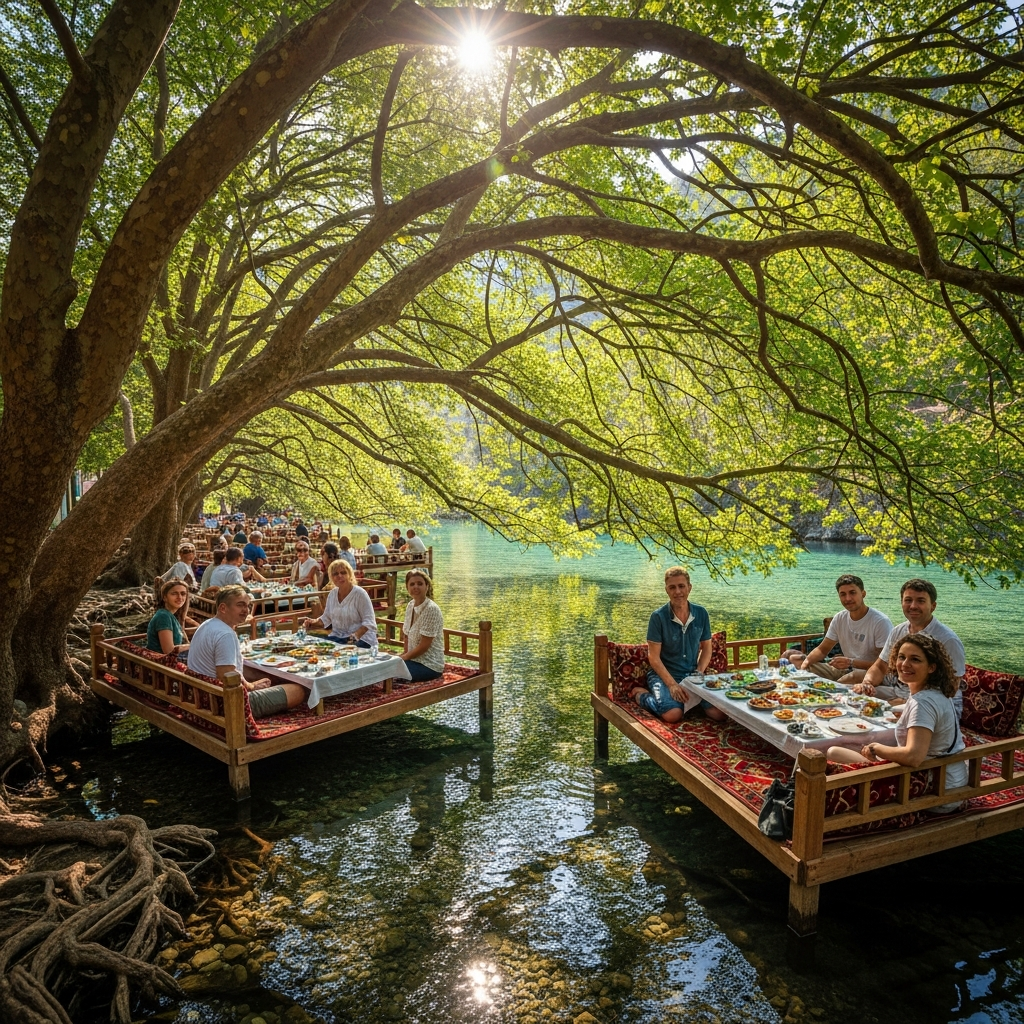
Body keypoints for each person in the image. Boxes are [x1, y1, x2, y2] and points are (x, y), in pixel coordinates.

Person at [828, 634, 967, 813]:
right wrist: (893, 710)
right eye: (901, 657)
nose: (904, 664)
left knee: (832, 751)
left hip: (935, 789)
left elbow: (913, 757)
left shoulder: (922, 703)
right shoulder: (935, 693)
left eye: (915, 659)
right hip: (947, 779)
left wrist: (877, 748)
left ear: (932, 667)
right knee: (846, 747)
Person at [188, 586, 307, 718]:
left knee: (269, 676)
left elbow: (231, 670)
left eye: (247, 606)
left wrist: (251, 685)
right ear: (223, 608)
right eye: (240, 605)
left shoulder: (207, 624)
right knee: (299, 690)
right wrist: (250, 687)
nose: (246, 610)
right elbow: (226, 677)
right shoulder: (225, 634)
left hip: (202, 694)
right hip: (223, 703)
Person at [853, 578, 966, 716]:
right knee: (853, 699)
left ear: (933, 606)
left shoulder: (947, 639)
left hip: (936, 705)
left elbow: (951, 687)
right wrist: (867, 684)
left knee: (874, 715)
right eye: (908, 600)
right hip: (898, 692)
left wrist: (908, 702)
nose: (913, 606)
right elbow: (881, 666)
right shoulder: (898, 631)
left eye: (921, 601)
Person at [630, 567, 724, 723]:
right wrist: (672, 685)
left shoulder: (701, 614)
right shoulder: (658, 617)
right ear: (666, 590)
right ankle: (643, 696)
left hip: (692, 675)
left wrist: (699, 673)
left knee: (719, 714)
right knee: (673, 715)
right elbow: (653, 658)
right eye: (672, 587)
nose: (677, 591)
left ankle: (691, 702)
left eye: (681, 586)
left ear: (689, 587)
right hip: (665, 675)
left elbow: (707, 647)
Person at [786, 575, 891, 685]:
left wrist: (851, 663)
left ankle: (832, 689)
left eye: (852, 593)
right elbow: (822, 650)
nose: (848, 598)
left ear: (863, 594)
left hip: (872, 674)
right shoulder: (840, 618)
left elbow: (885, 665)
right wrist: (805, 665)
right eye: (843, 594)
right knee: (796, 660)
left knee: (850, 678)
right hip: (846, 669)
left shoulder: (880, 622)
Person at [302, 560, 378, 648]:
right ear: (331, 577)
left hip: (362, 640)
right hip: (339, 638)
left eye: (343, 573)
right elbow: (326, 618)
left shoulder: (360, 594)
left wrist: (353, 638)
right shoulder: (332, 594)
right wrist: (312, 622)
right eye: (335, 574)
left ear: (349, 575)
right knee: (312, 645)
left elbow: (369, 622)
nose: (339, 576)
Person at [399, 569, 444, 681]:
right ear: (407, 587)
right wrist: (404, 655)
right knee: (383, 667)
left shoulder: (431, 609)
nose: (416, 587)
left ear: (427, 586)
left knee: (390, 672)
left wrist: (403, 658)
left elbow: (424, 646)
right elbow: (406, 635)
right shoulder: (410, 605)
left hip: (429, 665)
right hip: (412, 660)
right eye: (412, 584)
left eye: (420, 584)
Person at [147, 580, 191, 656]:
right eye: (174, 594)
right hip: (161, 663)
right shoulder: (163, 616)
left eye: (183, 594)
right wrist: (194, 645)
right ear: (165, 597)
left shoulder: (170, 615)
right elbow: (169, 650)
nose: (180, 597)